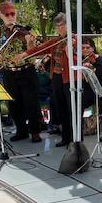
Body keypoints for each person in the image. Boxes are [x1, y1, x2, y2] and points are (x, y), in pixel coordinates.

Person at [0, 0, 42, 143]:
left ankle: (35, 132)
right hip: (9, 72)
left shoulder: (25, 31)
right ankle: (21, 131)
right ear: (1, 15)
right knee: (14, 103)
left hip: (26, 71)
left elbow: (36, 50)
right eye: (7, 14)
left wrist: (30, 43)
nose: (10, 17)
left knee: (31, 103)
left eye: (13, 14)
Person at [16, 12, 75, 146]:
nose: (60, 28)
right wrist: (24, 54)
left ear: (68, 25)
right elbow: (41, 48)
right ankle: (66, 138)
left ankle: (75, 139)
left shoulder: (75, 40)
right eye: (57, 26)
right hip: (57, 77)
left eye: (62, 25)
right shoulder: (55, 41)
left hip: (70, 79)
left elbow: (79, 58)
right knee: (61, 108)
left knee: (71, 109)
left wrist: (70, 50)